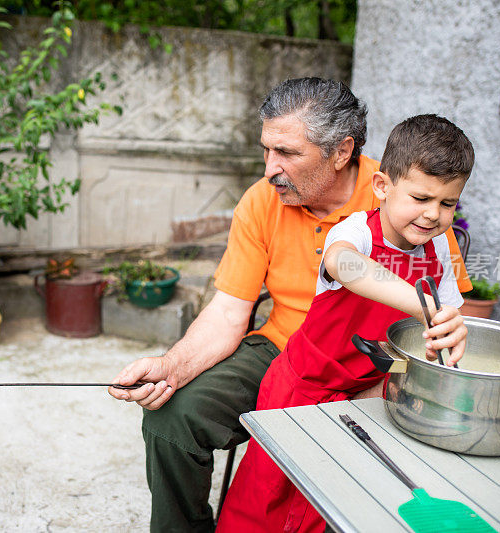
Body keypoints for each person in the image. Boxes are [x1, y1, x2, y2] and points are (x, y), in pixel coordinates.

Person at [108, 78, 472, 532]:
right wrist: (173, 366)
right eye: (267, 150)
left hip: (380, 366)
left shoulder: (411, 193)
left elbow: (452, 311)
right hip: (288, 354)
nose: (269, 169)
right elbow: (228, 312)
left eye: (287, 154)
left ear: (341, 152)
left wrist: (397, 379)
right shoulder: (263, 201)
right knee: (173, 418)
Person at [216, 114, 474, 532]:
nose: (433, 215)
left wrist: (452, 333)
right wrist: (422, 304)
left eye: (447, 204)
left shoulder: (439, 246)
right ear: (383, 187)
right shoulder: (358, 233)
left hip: (372, 393)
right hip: (301, 390)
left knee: (334, 501)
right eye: (421, 198)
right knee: (267, 499)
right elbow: (344, 264)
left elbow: (448, 323)